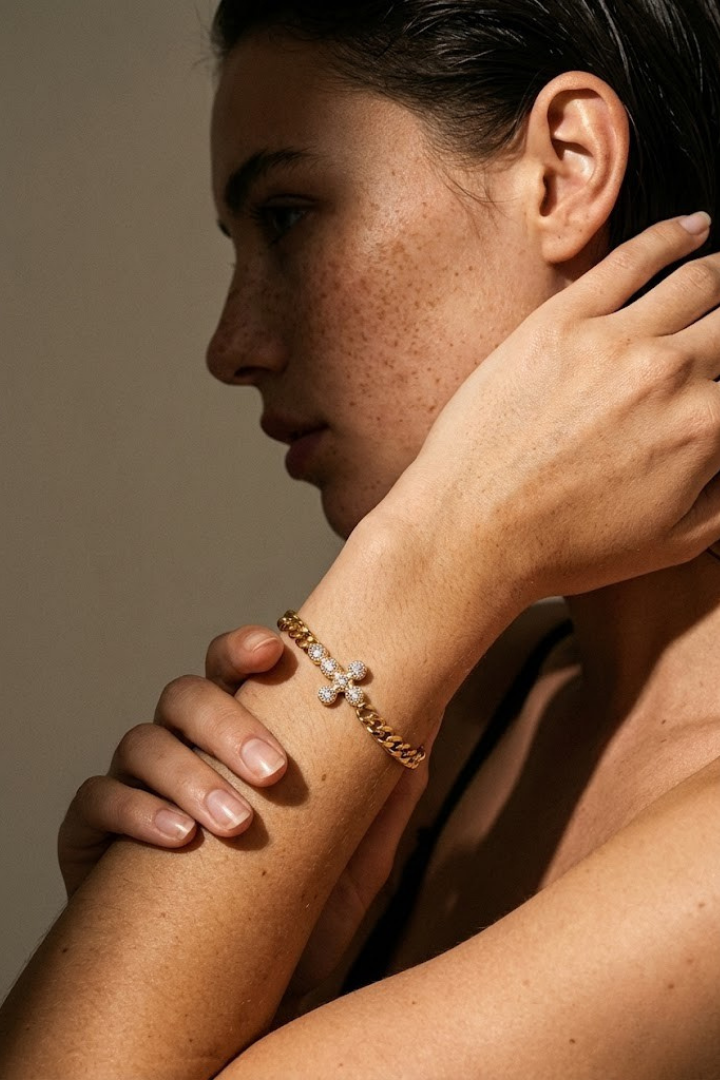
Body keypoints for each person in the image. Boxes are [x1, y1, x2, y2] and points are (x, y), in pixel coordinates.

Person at [2, 1, 720, 1077]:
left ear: (566, 168)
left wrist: (446, 546)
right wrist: (226, 959)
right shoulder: (485, 708)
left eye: (289, 217)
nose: (231, 345)